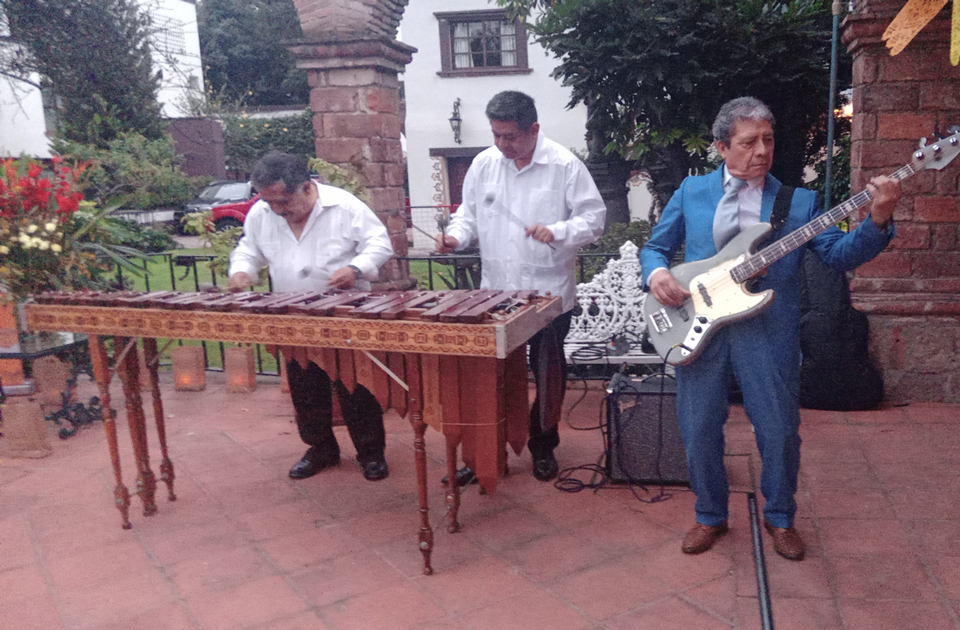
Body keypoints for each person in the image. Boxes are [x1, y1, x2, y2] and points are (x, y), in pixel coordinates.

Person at [640, 97, 901, 560]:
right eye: (748, 142)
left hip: (768, 328)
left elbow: (838, 255)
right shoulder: (691, 192)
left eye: (769, 140)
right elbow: (656, 247)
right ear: (722, 147)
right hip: (697, 325)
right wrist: (656, 273)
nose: (762, 150)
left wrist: (877, 219)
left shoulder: (798, 202)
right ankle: (709, 514)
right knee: (698, 427)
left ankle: (780, 517)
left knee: (779, 429)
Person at [434, 91, 606, 482]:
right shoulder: (484, 164)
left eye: (510, 136)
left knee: (547, 375)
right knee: (491, 378)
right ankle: (486, 453)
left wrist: (559, 230)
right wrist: (456, 238)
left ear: (534, 130)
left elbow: (594, 219)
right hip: (496, 291)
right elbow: (468, 216)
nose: (502, 144)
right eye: (496, 135)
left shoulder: (564, 165)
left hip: (547, 294)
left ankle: (543, 446)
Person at [228, 151, 396, 481]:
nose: (277, 210)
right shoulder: (263, 213)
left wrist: (355, 268)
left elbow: (380, 244)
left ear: (306, 187)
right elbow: (249, 249)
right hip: (293, 316)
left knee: (356, 388)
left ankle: (371, 452)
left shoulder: (344, 206)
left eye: (284, 201)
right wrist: (241, 270)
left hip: (344, 314)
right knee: (305, 389)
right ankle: (320, 448)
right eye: (270, 202)